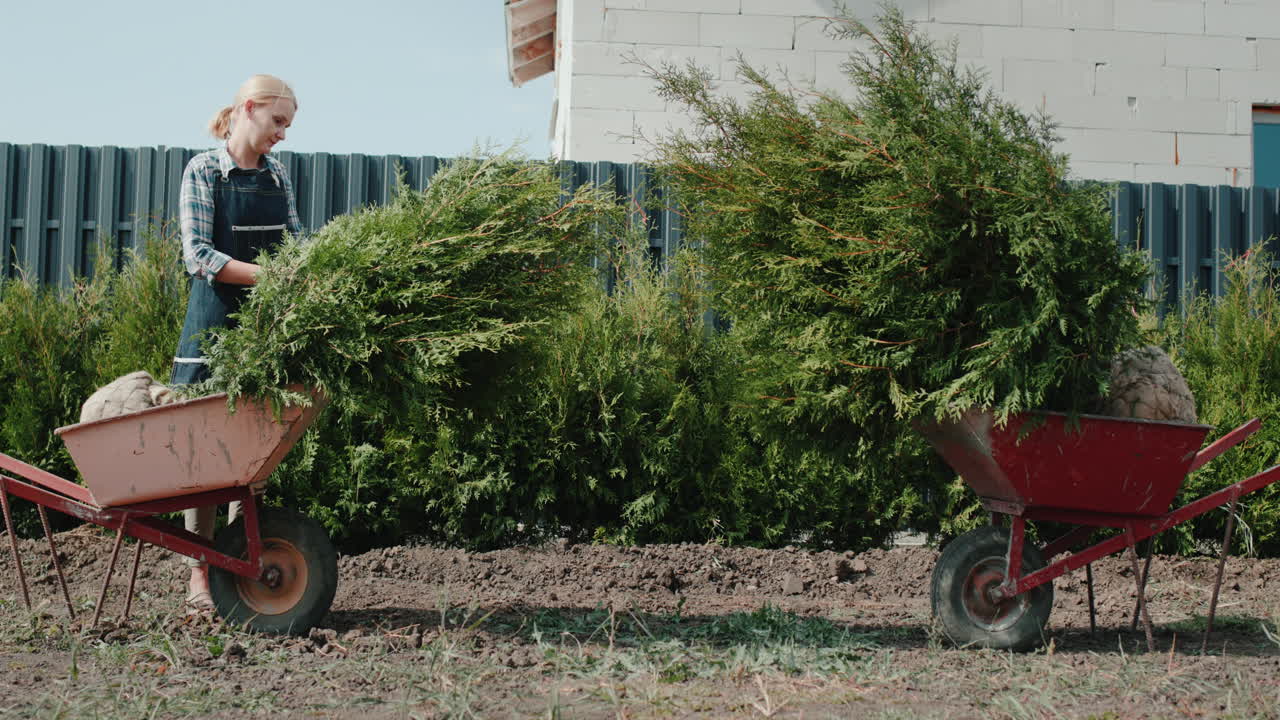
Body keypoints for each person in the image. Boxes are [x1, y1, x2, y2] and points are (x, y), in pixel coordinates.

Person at [172, 74, 302, 608]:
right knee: (202, 462)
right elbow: (198, 256)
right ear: (249, 108)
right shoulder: (203, 171)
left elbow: (294, 241)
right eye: (278, 122)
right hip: (211, 332)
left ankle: (237, 571)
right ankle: (199, 576)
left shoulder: (278, 176)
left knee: (252, 459)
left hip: (260, 337)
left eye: (288, 126)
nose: (283, 135)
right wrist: (270, 277)